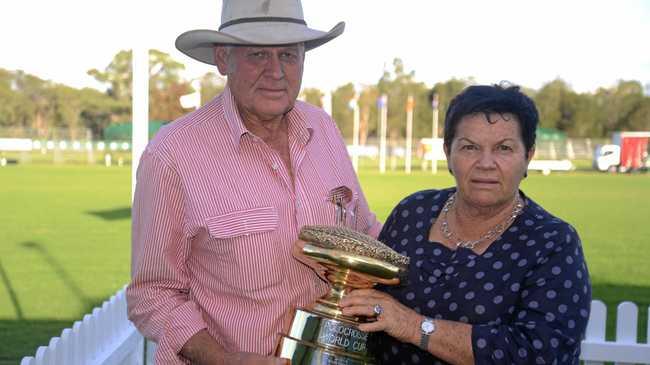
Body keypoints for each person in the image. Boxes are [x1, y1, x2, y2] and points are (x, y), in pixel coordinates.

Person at [126, 1, 381, 364]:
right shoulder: (172, 155)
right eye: (258, 54)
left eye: (289, 56)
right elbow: (152, 294)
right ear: (222, 59)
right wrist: (224, 359)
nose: (275, 72)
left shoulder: (323, 129)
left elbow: (364, 234)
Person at [339, 84, 591, 364]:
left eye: (504, 148)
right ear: (448, 152)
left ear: (528, 156)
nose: (486, 163)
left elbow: (541, 353)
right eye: (470, 147)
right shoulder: (413, 212)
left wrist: (413, 325)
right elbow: (367, 303)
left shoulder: (553, 242)